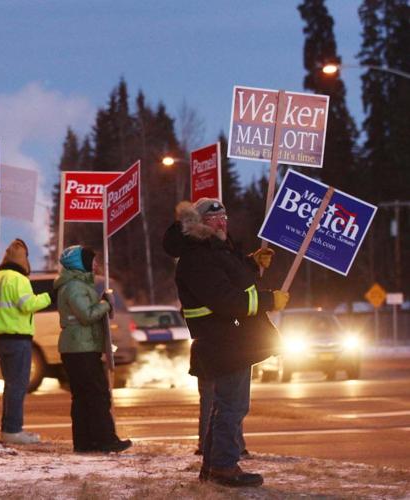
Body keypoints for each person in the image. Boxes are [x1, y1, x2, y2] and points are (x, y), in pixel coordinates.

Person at [162, 198, 288, 487]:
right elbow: (226, 299)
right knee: (232, 406)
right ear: (200, 223)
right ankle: (223, 466)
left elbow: (231, 279)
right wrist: (269, 300)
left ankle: (213, 464)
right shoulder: (199, 256)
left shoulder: (212, 250)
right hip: (224, 341)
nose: (223, 223)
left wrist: (251, 264)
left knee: (225, 406)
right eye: (216, 218)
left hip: (229, 339)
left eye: (225, 217)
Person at [54, 246, 132, 453]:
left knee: (83, 397)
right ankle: (106, 440)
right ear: (81, 263)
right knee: (97, 395)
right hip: (82, 348)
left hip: (78, 347)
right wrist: (105, 303)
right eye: (93, 260)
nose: (96, 264)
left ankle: (85, 442)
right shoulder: (75, 287)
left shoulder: (75, 285)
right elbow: (87, 315)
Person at [0, 238, 51, 445]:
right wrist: (49, 296)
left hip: (2, 339)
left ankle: (8, 429)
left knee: (10, 386)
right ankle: (13, 431)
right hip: (18, 338)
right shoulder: (19, 279)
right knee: (18, 387)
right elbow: (28, 305)